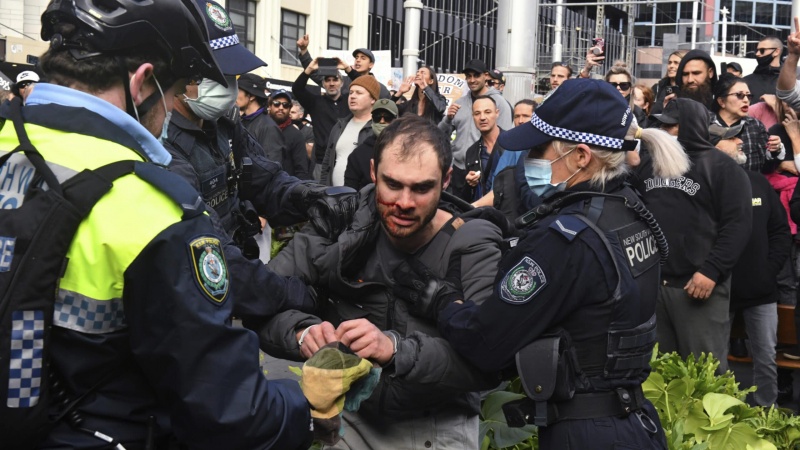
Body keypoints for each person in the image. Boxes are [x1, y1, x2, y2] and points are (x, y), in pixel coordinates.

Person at [0, 0, 314, 447]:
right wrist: (300, 412)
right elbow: (228, 412)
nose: (167, 112)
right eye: (170, 94)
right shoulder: (151, 209)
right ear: (143, 80)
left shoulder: (8, 140)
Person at [413, 79, 691, 449]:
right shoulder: (627, 209)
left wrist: (444, 303)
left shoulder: (566, 238)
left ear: (580, 156)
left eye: (539, 149)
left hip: (584, 432)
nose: (529, 159)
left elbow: (486, 342)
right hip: (634, 421)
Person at [253, 114, 503, 449]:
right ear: (373, 172)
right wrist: (304, 333)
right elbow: (260, 299)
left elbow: (488, 359)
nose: (404, 202)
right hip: (351, 421)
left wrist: (394, 349)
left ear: (445, 180)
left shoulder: (471, 244)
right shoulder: (340, 222)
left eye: (421, 188)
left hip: (435, 425)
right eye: (393, 184)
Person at [640, 98, 752, 373]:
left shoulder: (722, 168)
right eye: (662, 126)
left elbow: (737, 226)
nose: (665, 132)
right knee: (659, 376)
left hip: (698, 285)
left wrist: (712, 271)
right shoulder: (649, 165)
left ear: (691, 126)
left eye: (672, 126)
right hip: (655, 285)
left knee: (704, 376)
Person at [710, 122, 790, 407]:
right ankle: (721, 414)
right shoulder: (704, 185)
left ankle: (767, 412)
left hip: (761, 290)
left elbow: (780, 231)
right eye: (731, 138)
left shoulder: (758, 182)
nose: (740, 141)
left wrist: (768, 272)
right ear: (714, 148)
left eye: (739, 136)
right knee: (714, 360)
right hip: (718, 289)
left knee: (766, 357)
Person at [439, 59, 513, 197]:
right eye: (468, 76)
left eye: (476, 75)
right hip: (459, 169)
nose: (472, 80)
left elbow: (506, 139)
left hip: (486, 169)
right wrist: (447, 118)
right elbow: (440, 135)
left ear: (486, 76)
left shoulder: (499, 103)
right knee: (460, 212)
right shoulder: (459, 103)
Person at [292, 58, 351, 181]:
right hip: (322, 161)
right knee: (322, 197)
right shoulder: (315, 102)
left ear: (342, 82)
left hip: (346, 158)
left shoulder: (350, 101)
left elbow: (366, 87)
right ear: (323, 84)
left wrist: (347, 68)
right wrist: (309, 70)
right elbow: (297, 88)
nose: (331, 83)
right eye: (327, 80)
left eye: (335, 79)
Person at [459, 95, 521, 206]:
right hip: (484, 214)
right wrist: (469, 184)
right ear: (473, 116)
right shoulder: (472, 152)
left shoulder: (513, 143)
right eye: (477, 113)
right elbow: (466, 197)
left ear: (497, 113)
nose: (482, 117)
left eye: (487, 112)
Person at [712, 74, 779, 172]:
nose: (746, 100)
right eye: (739, 95)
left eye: (749, 96)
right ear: (722, 101)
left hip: (750, 185)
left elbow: (767, 168)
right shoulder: (705, 124)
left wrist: (775, 150)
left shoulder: (755, 126)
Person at [320, 75, 377, 186]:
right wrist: (322, 190)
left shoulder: (377, 128)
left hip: (362, 197)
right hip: (334, 196)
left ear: (373, 99)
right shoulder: (340, 125)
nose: (352, 96)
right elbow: (327, 161)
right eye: (351, 93)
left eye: (359, 93)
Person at [296, 34, 391, 99]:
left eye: (363, 58)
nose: (358, 60)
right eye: (356, 57)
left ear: (371, 64)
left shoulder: (380, 88)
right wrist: (304, 51)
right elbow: (314, 73)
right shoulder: (341, 81)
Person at [344, 98, 398, 190]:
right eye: (377, 116)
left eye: (388, 117)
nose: (382, 121)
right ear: (372, 119)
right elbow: (349, 193)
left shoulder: (407, 150)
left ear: (396, 120)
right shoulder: (358, 154)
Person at [267, 89, 312, 179]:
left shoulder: (296, 134)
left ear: (289, 108)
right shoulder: (262, 128)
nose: (281, 107)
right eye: (276, 103)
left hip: (285, 188)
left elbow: (301, 169)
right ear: (270, 106)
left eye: (285, 105)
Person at [744, 36, 783, 103]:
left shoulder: (790, 82)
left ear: (776, 51)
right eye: (757, 50)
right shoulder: (746, 81)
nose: (757, 54)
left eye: (762, 51)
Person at [651, 50, 687, 114]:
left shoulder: (689, 89)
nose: (671, 66)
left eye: (676, 63)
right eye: (669, 62)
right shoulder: (657, 88)